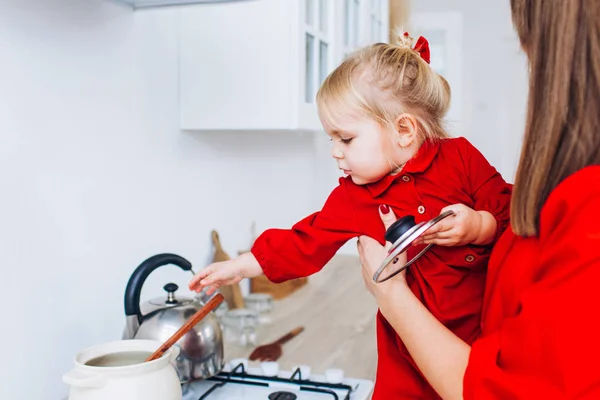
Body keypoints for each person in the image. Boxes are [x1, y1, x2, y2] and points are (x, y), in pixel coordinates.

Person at [189, 32, 512, 398]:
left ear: (404, 130)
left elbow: (508, 210)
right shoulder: (353, 196)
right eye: (331, 139)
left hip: (481, 338)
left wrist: (478, 225)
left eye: (346, 139)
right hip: (405, 356)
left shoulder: (462, 157)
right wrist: (243, 265)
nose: (334, 152)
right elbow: (305, 240)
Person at [356, 1, 600, 399]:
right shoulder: (555, 193)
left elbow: (500, 391)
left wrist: (391, 294)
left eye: (532, 57)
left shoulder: (588, 211)